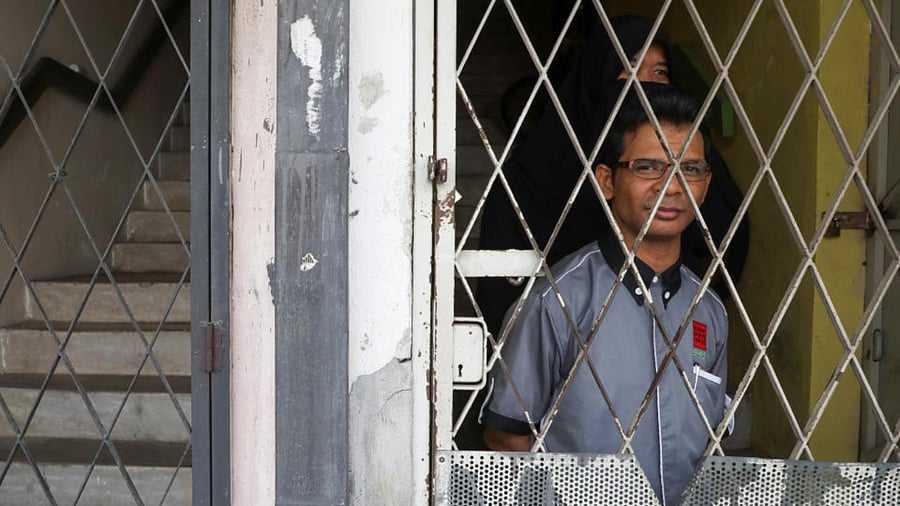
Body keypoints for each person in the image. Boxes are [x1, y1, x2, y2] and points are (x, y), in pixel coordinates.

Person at [480, 87, 729, 506]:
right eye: (649, 167)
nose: (671, 187)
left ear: (705, 186)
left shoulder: (710, 309)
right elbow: (506, 437)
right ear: (608, 181)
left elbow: (711, 438)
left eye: (689, 169)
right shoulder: (558, 300)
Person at [477, 15, 748, 338]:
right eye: (628, 68)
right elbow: (500, 308)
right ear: (597, 73)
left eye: (659, 72)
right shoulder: (529, 177)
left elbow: (726, 233)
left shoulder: (684, 164)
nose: (644, 85)